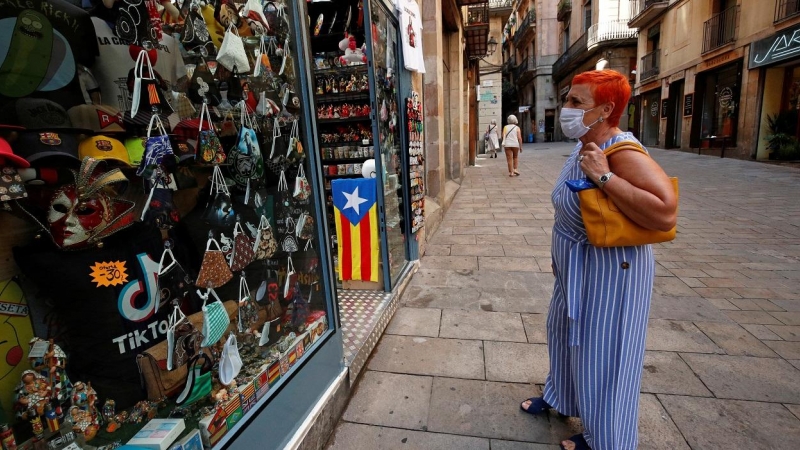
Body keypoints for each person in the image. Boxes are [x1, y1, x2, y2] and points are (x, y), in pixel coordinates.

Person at [519, 70, 677, 450]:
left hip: (612, 271)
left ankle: (608, 439)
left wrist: (605, 178)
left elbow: (665, 213)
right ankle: (562, 399)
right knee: (563, 333)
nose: (566, 108)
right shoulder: (584, 144)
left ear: (606, 109)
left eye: (577, 102)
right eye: (568, 99)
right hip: (577, 267)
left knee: (606, 353)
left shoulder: (621, 151)